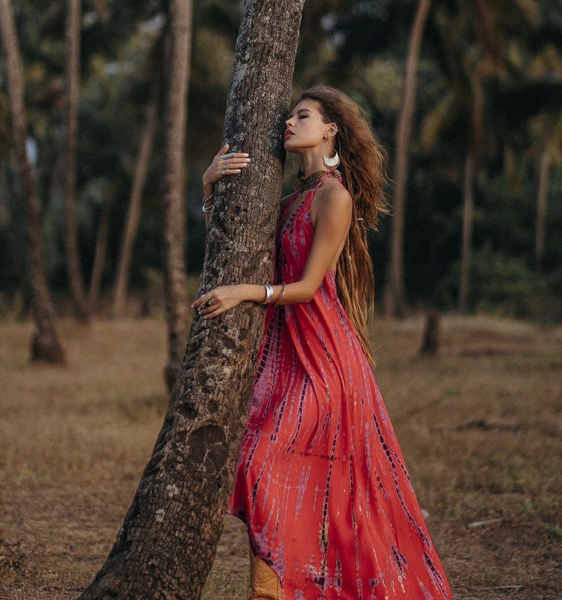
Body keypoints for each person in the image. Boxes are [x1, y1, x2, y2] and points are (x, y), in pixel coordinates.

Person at [192, 85, 452, 599]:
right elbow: (235, 245)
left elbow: (310, 287)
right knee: (255, 461)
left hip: (326, 359)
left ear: (331, 128)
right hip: (283, 356)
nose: (289, 122)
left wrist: (243, 293)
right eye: (290, 115)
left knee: (263, 460)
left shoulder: (335, 198)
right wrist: (207, 189)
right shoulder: (288, 200)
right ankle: (274, 589)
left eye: (302, 115)